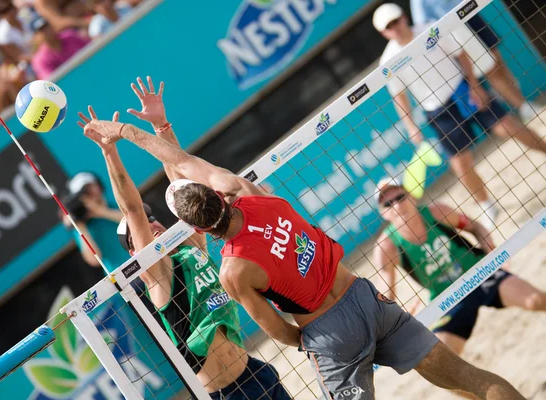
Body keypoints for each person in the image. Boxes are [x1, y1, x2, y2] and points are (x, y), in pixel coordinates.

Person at [81, 102, 525, 400]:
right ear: (220, 195)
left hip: (329, 335)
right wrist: (132, 132)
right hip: (365, 297)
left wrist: (310, 342)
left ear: (194, 228)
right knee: (471, 381)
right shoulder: (251, 194)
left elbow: (276, 329)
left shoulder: (233, 269)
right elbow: (181, 170)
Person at [77, 77, 291, 399]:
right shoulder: (157, 276)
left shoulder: (190, 247)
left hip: (257, 372)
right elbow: (132, 209)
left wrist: (162, 125)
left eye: (153, 219)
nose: (152, 223)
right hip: (227, 394)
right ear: (136, 251)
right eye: (145, 229)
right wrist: (110, 153)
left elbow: (179, 177)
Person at [374, 3, 546, 230]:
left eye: (395, 21)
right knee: (460, 164)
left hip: (461, 89)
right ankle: (485, 204)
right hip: (437, 110)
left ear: (404, 17)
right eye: (388, 26)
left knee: (508, 127)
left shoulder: (429, 29)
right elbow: (400, 96)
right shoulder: (388, 60)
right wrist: (410, 126)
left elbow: (461, 54)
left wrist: (474, 85)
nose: (394, 27)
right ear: (383, 33)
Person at [374, 178, 546, 355]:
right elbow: (386, 291)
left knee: (535, 300)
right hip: (447, 299)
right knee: (445, 359)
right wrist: (393, 317)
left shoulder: (436, 212)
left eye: (400, 197)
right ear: (383, 214)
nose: (396, 205)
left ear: (411, 196)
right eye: (388, 203)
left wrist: (492, 253)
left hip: (479, 274)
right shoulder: (387, 246)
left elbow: (476, 226)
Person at [410, 0, 542, 124]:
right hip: (457, 31)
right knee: (491, 70)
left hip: (472, 14)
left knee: (498, 61)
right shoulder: (417, 2)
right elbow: (424, 27)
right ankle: (523, 106)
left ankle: (520, 102)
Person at [62, 170, 126, 272]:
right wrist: (80, 226)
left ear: (99, 185)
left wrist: (101, 212)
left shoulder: (116, 205)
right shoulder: (83, 228)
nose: (90, 193)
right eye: (84, 192)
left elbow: (136, 220)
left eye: (90, 187)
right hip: (120, 276)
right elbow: (94, 260)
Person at [30, 15, 90, 80]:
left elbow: (91, 50)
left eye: (47, 27)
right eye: (42, 30)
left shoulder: (70, 36)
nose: (47, 31)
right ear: (36, 36)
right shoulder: (40, 60)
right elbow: (52, 82)